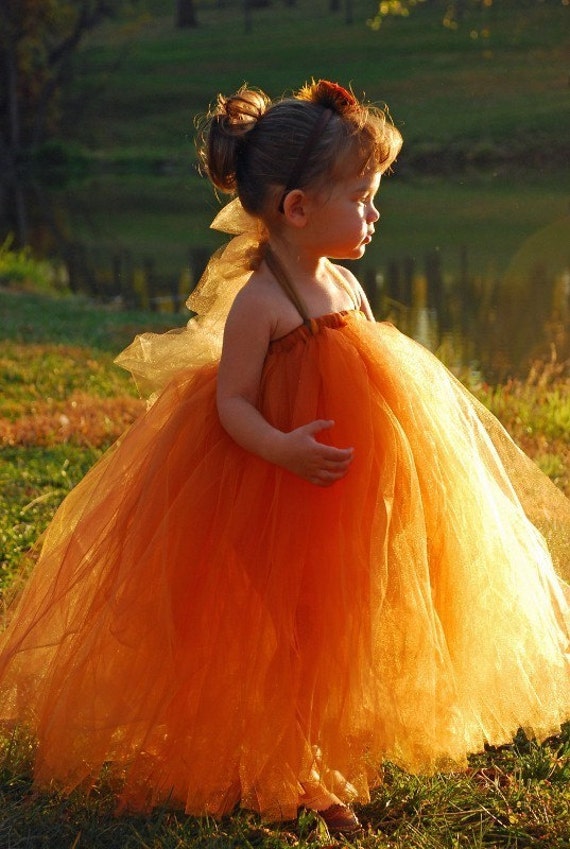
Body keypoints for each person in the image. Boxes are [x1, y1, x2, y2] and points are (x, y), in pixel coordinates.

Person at [0, 80, 569, 837]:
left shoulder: (345, 283)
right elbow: (234, 402)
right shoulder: (262, 303)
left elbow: (380, 379)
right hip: (268, 487)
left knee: (341, 622)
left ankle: (319, 751)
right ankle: (286, 765)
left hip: (344, 489)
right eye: (361, 196)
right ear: (298, 209)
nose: (374, 212)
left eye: (375, 194)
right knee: (286, 632)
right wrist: (282, 447)